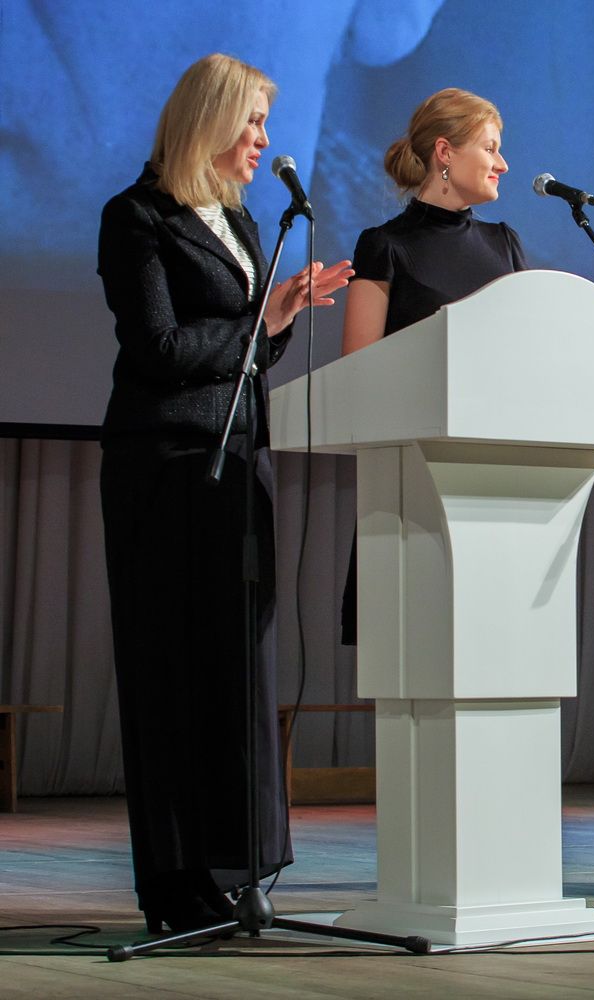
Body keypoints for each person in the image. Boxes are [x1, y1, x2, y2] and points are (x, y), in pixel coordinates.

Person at [97, 53, 353, 933]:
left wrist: (278, 319)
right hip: (165, 468)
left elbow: (249, 358)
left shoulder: (240, 221)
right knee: (169, 671)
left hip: (240, 464)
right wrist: (261, 320)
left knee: (235, 671)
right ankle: (172, 883)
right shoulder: (137, 217)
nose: (264, 141)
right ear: (208, 121)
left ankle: (230, 865)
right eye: (252, 122)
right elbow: (159, 350)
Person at [338, 87, 527, 643]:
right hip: (411, 481)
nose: (502, 163)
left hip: (495, 476)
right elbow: (358, 371)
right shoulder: (384, 246)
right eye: (490, 148)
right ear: (445, 152)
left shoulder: (504, 244)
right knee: (412, 641)